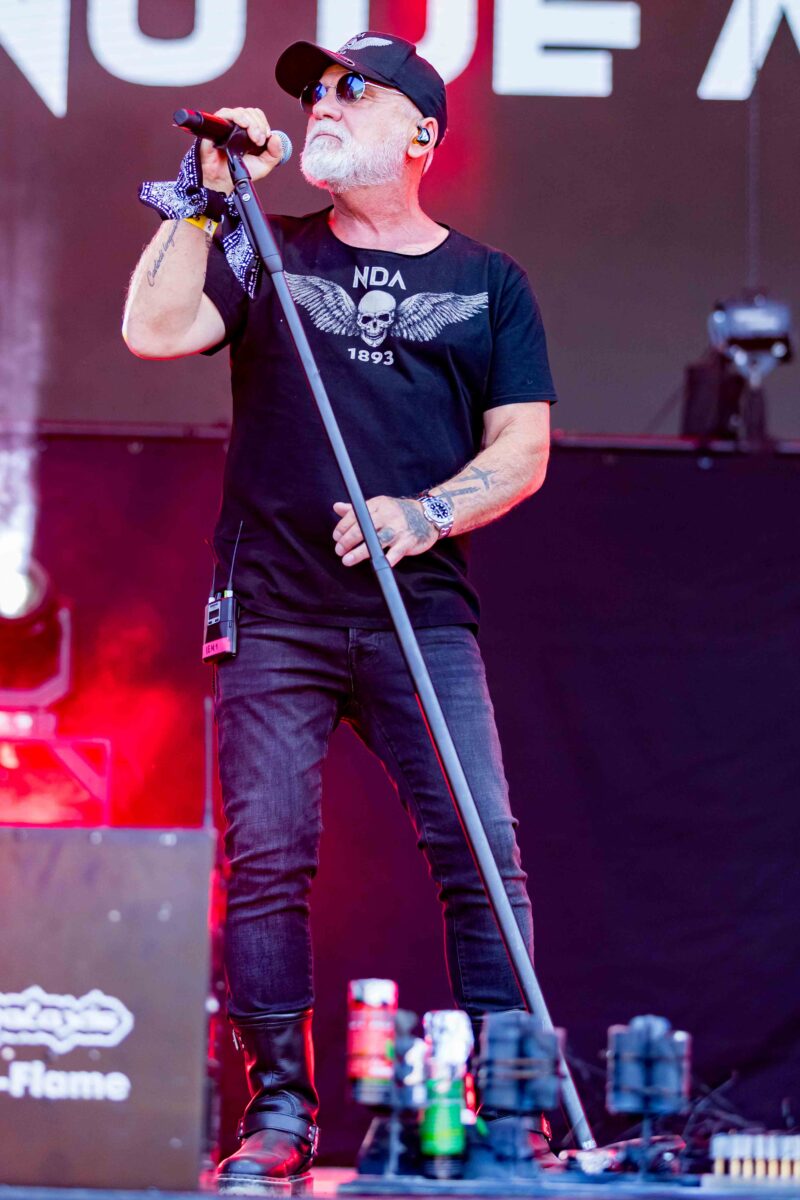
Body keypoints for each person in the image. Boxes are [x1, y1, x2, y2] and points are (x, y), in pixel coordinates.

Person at [123, 30, 556, 1194]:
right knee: (266, 862)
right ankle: (277, 1112)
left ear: (420, 134)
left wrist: (426, 512)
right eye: (314, 91)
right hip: (273, 609)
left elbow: (521, 449)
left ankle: (512, 1109)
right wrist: (209, 197)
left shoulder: (488, 283)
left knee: (482, 852)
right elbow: (153, 331)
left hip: (421, 611)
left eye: (352, 92)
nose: (322, 104)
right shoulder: (266, 249)